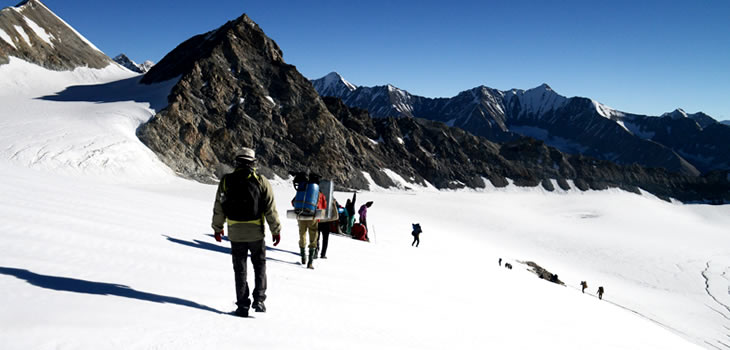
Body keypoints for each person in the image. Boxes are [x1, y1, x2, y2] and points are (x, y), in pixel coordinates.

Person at [212, 147, 281, 318]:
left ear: (237, 162)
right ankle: (259, 299)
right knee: (259, 265)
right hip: (256, 232)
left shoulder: (226, 181)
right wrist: (275, 230)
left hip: (235, 232)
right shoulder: (261, 181)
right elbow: (270, 208)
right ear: (253, 163)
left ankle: (242, 306)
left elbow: (219, 207)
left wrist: (217, 228)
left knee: (240, 269)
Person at [294, 174, 327, 269]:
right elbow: (323, 207)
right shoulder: (319, 194)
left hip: (301, 216)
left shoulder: (303, 190)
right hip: (312, 218)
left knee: (302, 235)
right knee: (313, 239)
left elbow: (293, 202)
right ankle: (310, 262)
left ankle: (303, 256)